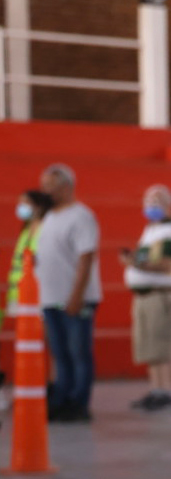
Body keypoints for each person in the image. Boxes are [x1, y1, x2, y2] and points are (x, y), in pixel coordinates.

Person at [34, 164, 101, 423]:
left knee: (78, 352)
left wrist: (77, 295)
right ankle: (61, 398)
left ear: (66, 187)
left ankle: (79, 402)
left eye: (50, 186)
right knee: (60, 354)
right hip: (50, 298)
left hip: (74, 298)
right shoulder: (49, 217)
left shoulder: (81, 216)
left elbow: (86, 258)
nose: (45, 191)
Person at [120, 185, 171, 412]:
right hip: (145, 295)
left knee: (161, 345)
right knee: (149, 347)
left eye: (156, 201)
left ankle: (167, 391)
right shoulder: (151, 230)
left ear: (169, 204)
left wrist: (135, 263)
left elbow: (167, 265)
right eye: (147, 201)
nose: (150, 206)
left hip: (160, 296)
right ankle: (156, 389)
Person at [5, 189, 52, 334]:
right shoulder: (25, 231)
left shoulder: (46, 229)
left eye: (25, 203)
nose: (20, 207)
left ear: (38, 207)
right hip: (19, 291)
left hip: (38, 291)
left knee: (43, 333)